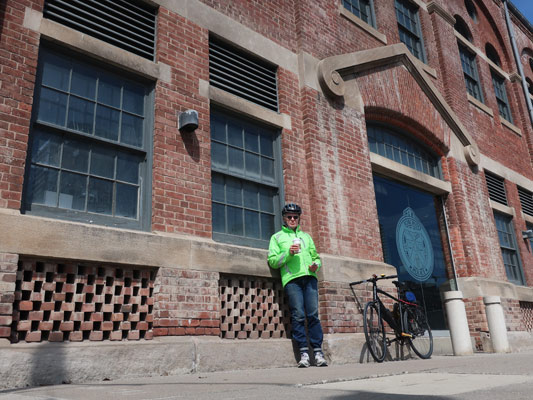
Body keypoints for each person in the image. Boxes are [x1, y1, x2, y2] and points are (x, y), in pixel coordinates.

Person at [267, 203, 328, 368]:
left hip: (310, 278)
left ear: (299, 218)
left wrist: (316, 266)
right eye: (289, 217)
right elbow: (273, 261)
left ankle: (318, 352)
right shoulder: (277, 237)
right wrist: (289, 253)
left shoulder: (306, 237)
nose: (292, 219)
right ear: (284, 219)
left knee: (313, 315)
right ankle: (304, 353)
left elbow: (316, 257)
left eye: (295, 217)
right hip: (292, 279)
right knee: (299, 315)